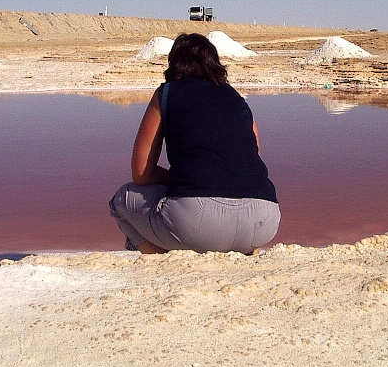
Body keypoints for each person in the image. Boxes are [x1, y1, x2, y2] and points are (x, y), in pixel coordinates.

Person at [109, 33, 280, 254]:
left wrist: (176, 177)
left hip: (198, 222)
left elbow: (141, 173)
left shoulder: (167, 93)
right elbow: (253, 152)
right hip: (264, 220)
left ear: (174, 64)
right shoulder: (237, 98)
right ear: (214, 64)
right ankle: (246, 249)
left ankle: (159, 260)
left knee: (121, 200)